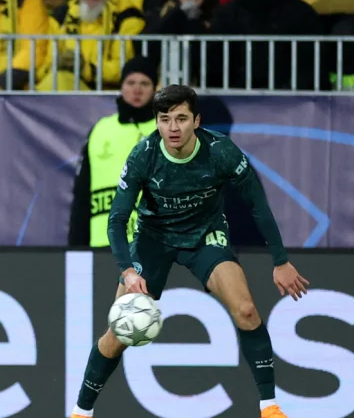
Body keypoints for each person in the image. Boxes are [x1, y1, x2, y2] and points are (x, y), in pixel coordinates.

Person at [70, 84, 309, 418]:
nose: (173, 128)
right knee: (120, 330)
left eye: (181, 119)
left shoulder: (221, 151)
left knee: (246, 310)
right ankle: (81, 412)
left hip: (205, 235)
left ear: (196, 121)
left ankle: (269, 408)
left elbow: (257, 205)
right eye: (165, 119)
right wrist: (128, 270)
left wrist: (280, 261)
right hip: (153, 239)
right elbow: (117, 220)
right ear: (157, 121)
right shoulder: (143, 155)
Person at [68, 55, 159, 247]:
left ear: (155, 89)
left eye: (144, 83)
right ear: (121, 87)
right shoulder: (101, 129)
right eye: (131, 82)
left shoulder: (166, 131)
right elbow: (82, 192)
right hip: (103, 243)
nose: (137, 89)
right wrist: (77, 247)